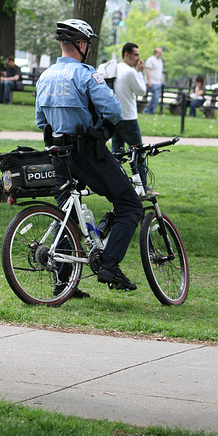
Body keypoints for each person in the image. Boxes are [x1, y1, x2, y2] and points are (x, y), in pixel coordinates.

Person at [36, 19, 143, 294]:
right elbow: (114, 109)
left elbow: (40, 121)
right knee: (130, 205)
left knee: (66, 216)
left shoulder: (44, 76)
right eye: (88, 44)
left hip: (58, 155)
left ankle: (63, 282)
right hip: (87, 154)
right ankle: (109, 264)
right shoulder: (86, 74)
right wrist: (105, 129)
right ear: (81, 44)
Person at [111, 42, 147, 190]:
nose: (138, 58)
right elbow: (142, 91)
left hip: (115, 118)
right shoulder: (130, 71)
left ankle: (115, 186)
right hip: (129, 118)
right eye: (136, 55)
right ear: (127, 54)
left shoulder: (115, 68)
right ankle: (143, 187)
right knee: (138, 153)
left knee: (116, 155)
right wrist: (139, 72)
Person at [143, 47, 164, 114]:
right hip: (152, 82)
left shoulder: (160, 60)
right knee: (155, 96)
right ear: (155, 52)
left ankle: (151, 112)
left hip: (158, 82)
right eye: (159, 52)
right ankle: (146, 110)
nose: (160, 54)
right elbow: (147, 70)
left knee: (157, 98)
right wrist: (149, 81)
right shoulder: (151, 59)